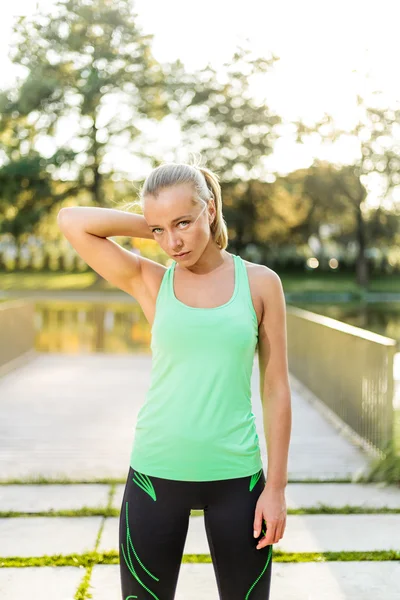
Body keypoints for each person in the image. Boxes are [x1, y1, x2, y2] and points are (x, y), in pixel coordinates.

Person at [57, 160, 292, 600]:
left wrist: (276, 489)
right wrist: (157, 224)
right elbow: (72, 222)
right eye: (160, 230)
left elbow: (276, 388)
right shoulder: (152, 281)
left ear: (211, 209)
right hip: (154, 473)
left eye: (183, 222)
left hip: (237, 477)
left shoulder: (261, 284)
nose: (173, 241)